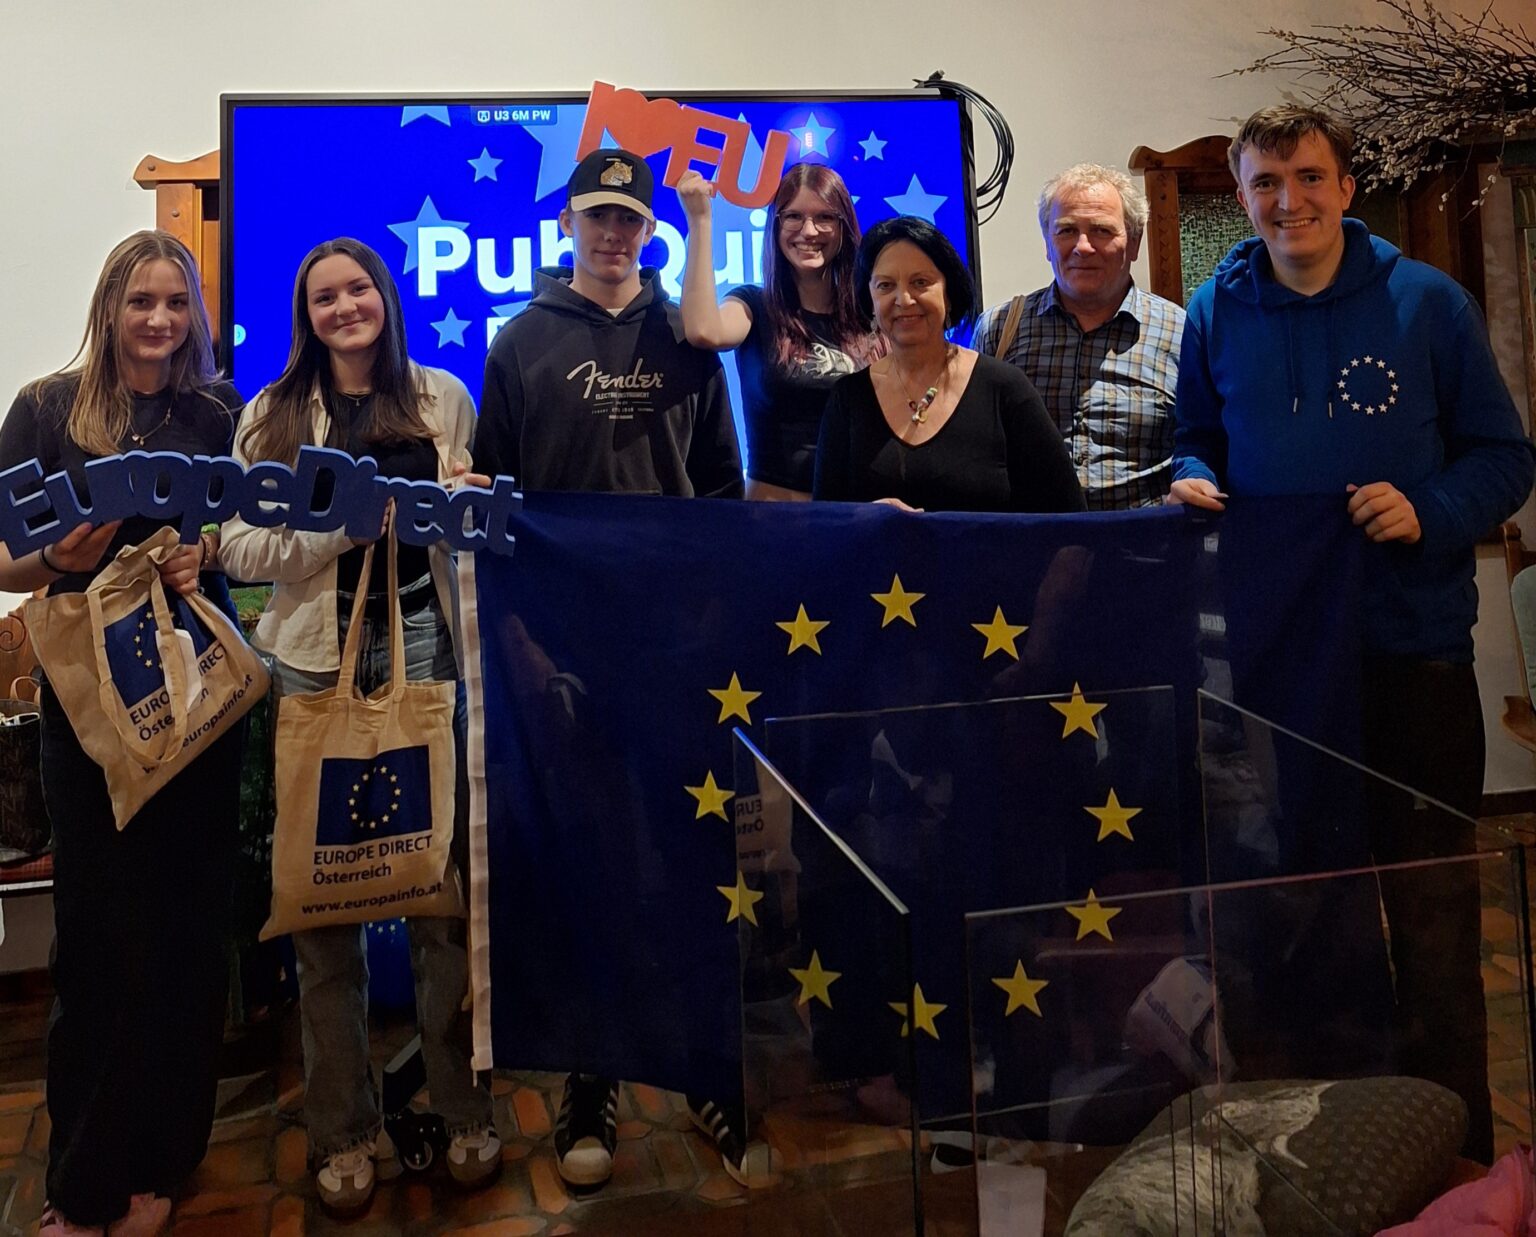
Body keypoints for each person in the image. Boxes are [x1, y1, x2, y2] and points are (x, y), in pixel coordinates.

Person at [1169, 104, 1536, 1163]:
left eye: (1309, 177)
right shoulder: (1214, 311)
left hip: (1413, 655)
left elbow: (1505, 459)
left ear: (1345, 185)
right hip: (1280, 663)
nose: (1288, 201)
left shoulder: (1429, 302)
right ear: (1243, 193)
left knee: (1432, 914)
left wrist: (1431, 509)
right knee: (1305, 916)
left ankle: (1456, 1158)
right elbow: (1196, 437)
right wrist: (1190, 475)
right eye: (1266, 181)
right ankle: (1324, 1151)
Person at [475, 148, 749, 1189]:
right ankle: (589, 1079)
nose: (612, 233)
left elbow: (721, 494)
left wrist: (712, 621)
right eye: (596, 215)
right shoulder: (520, 343)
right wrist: (521, 638)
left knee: (690, 858)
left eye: (629, 218)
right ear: (568, 224)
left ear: (648, 231)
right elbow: (496, 505)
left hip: (678, 650)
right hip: (564, 648)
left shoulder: (688, 340)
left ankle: (707, 1071)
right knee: (586, 860)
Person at [219, 238, 499, 1214]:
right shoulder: (272, 412)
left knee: (439, 898)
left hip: (426, 650)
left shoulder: (442, 396)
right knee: (323, 910)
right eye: (324, 297)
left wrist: (458, 508)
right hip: (311, 661)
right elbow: (241, 547)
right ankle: (342, 1129)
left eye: (359, 289)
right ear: (308, 315)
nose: (345, 307)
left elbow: (468, 531)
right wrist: (345, 523)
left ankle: (464, 1106)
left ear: (385, 296)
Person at [0, 231, 244, 1237]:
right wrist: (57, 557)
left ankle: (163, 1162)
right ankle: (83, 1183)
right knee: (98, 937)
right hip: (86, 704)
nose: (159, 320)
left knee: (187, 932)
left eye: (176, 303)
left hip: (197, 699)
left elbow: (240, 532)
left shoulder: (218, 414)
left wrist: (203, 552)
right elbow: (5, 561)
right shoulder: (46, 409)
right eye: (141, 301)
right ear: (109, 306)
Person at [813, 215, 1085, 514]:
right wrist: (863, 519)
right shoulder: (848, 398)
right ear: (870, 302)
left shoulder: (1004, 389)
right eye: (885, 285)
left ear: (949, 293)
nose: (904, 299)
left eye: (920, 282)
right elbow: (825, 523)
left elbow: (1069, 517)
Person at [971, 163, 1183, 509]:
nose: (1083, 247)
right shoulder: (1000, 328)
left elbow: (1203, 446)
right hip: (1033, 539)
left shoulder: (1181, 333)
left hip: (1143, 539)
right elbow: (977, 449)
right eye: (1066, 230)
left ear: (1134, 241)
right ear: (1047, 242)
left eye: (1101, 230)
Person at [678, 161, 881, 499]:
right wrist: (700, 221)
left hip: (855, 515)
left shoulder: (869, 314)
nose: (809, 231)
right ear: (775, 225)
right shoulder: (754, 306)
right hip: (774, 516)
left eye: (825, 217)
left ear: (843, 227)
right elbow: (704, 330)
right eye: (793, 216)